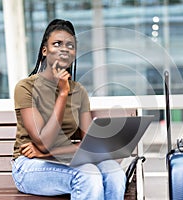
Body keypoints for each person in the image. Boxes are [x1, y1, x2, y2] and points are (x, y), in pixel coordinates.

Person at [11, 19, 126, 200]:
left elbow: (90, 147)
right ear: (44, 51)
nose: (64, 49)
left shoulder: (79, 91)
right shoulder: (26, 87)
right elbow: (42, 141)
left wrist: (47, 153)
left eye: (70, 45)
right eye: (57, 44)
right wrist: (63, 94)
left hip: (61, 159)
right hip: (29, 166)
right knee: (88, 175)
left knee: (115, 173)